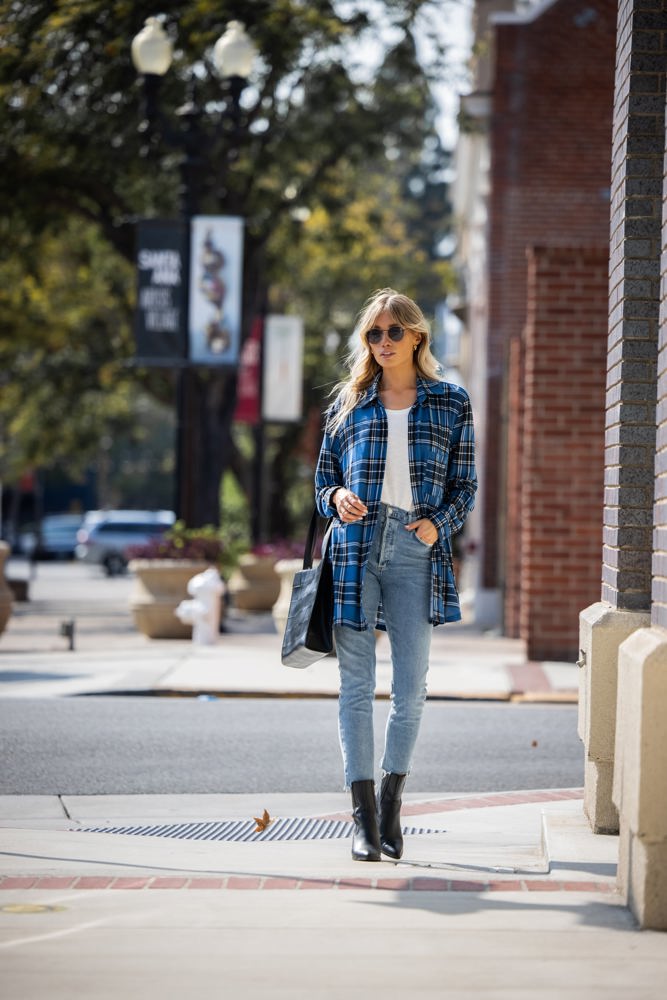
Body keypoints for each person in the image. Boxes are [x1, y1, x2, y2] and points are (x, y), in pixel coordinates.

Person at [315, 288, 477, 862]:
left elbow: (466, 484)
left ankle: (390, 806)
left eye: (392, 332)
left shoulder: (452, 403)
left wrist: (441, 523)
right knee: (356, 687)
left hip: (416, 548)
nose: (382, 343)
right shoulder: (349, 403)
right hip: (355, 546)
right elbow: (322, 481)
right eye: (373, 335)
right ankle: (360, 821)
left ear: (416, 336)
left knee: (410, 689)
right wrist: (336, 497)